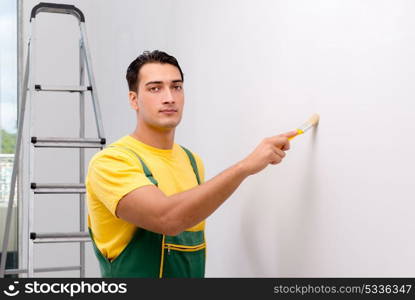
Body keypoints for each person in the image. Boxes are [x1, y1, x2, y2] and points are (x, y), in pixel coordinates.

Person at [86, 50, 297, 278]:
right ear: (134, 100)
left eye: (176, 87)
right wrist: (245, 167)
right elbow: (167, 218)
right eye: (155, 88)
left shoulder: (192, 162)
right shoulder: (111, 162)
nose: (169, 98)